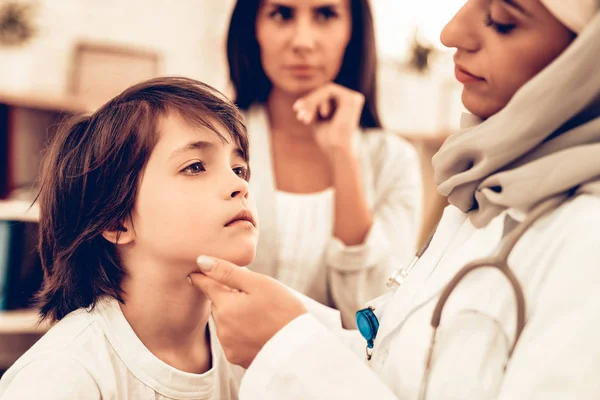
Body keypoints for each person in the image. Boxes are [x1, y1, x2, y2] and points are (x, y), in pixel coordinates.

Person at [189, 0, 600, 398]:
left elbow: (367, 315)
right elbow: (388, 349)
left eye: (502, 20)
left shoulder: (581, 239)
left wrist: (289, 348)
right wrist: (291, 326)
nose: (450, 32)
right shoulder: (477, 188)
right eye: (281, 13)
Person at [0, 77, 256, 399]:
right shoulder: (61, 376)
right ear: (116, 221)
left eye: (239, 169)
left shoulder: (256, 347)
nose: (240, 185)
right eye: (194, 167)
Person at [226, 0, 423, 326]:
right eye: (281, 14)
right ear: (253, 27)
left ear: (353, 31)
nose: (303, 41)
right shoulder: (211, 142)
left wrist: (343, 155)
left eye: (326, 14)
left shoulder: (394, 161)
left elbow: (379, 316)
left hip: (335, 374)